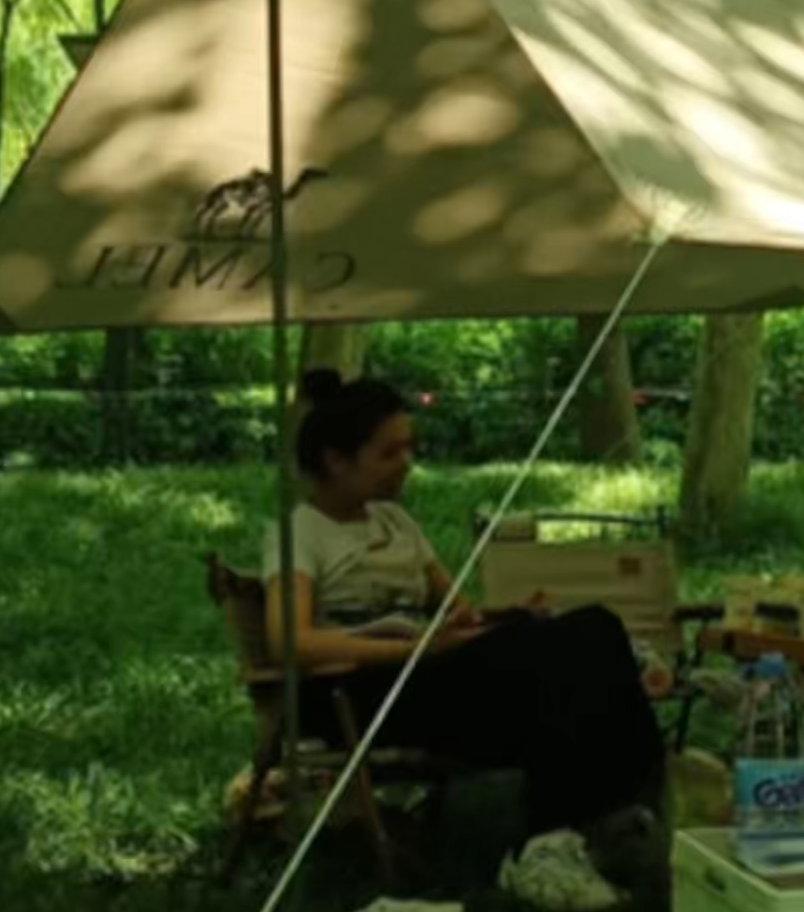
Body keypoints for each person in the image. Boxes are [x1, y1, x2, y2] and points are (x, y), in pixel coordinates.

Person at [264, 371, 665, 877]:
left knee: (595, 630)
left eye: (409, 448)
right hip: (361, 690)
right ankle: (565, 834)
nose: (406, 464)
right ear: (336, 460)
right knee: (559, 669)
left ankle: (614, 810)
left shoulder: (396, 522)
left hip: (434, 671)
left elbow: (459, 611)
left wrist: (508, 616)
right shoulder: (300, 533)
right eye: (389, 453)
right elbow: (288, 641)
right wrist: (420, 651)